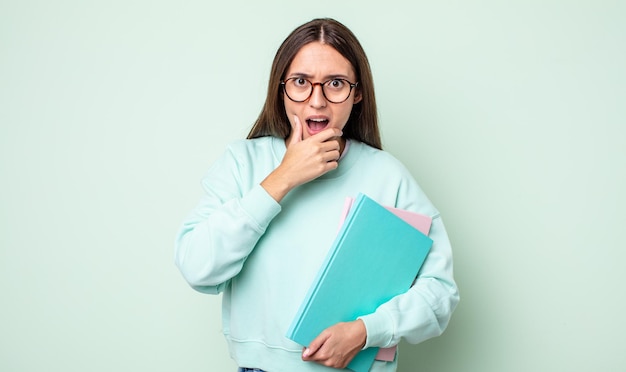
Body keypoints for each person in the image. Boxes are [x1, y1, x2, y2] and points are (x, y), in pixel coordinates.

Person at [175, 18, 459, 372]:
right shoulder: (242, 162)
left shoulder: (388, 176)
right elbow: (198, 268)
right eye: (301, 83)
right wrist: (282, 178)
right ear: (281, 89)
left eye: (335, 84)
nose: (317, 101)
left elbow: (440, 292)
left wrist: (366, 331)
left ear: (357, 93)